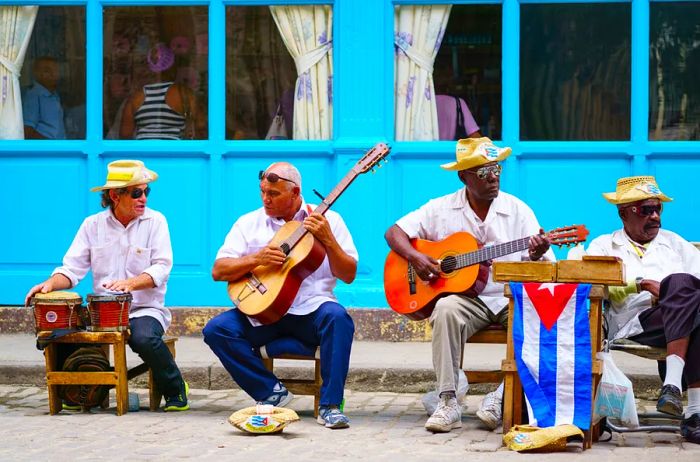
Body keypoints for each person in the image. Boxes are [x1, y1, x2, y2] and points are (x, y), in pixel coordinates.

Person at [384, 137, 553, 433]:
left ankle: (501, 397)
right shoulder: (440, 208)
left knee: (539, 314)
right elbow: (393, 233)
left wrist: (537, 253)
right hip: (467, 300)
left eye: (497, 168)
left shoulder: (518, 210)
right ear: (464, 176)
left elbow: (548, 269)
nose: (494, 177)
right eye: (485, 172)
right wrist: (418, 259)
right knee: (446, 308)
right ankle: (448, 400)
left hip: (508, 296)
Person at [24, 160, 189, 412]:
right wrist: (48, 284)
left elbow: (162, 267)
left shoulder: (156, 221)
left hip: (144, 309)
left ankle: (176, 388)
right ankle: (75, 392)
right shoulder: (92, 225)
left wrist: (130, 283)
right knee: (57, 333)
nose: (143, 198)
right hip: (101, 314)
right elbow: (71, 270)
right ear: (114, 195)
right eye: (136, 192)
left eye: (146, 191)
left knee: (144, 338)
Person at [203, 162, 358, 429]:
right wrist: (256, 259)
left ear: (296, 192)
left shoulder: (329, 220)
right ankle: (270, 391)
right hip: (264, 312)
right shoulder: (248, 222)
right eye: (263, 192)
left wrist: (328, 239)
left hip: (312, 311)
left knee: (339, 319)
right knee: (216, 329)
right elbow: (218, 270)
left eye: (273, 194)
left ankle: (330, 406)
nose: (266, 199)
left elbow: (349, 274)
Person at [586, 175, 700, 444]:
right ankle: (693, 408)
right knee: (681, 286)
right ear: (624, 213)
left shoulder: (675, 243)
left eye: (658, 209)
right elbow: (595, 284)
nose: (655, 217)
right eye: (646, 210)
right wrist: (641, 285)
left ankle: (675, 389)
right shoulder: (604, 245)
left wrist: (672, 295)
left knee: (681, 286)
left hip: (676, 319)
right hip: (634, 323)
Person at [119, 42, 203, 140]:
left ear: (149, 67)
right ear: (174, 66)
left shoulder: (136, 97)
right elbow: (201, 127)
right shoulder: (185, 94)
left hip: (143, 153)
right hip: (175, 153)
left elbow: (125, 134)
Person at [22, 56, 66, 140]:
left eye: (56, 70)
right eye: (47, 71)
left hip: (60, 149)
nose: (53, 74)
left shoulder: (54, 94)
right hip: (47, 150)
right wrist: (51, 145)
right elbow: (27, 131)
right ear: (36, 74)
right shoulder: (34, 95)